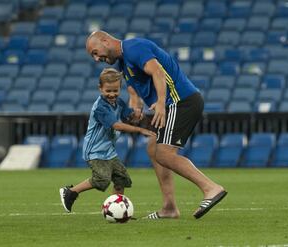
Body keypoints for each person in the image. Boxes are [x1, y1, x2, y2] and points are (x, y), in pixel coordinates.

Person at [86, 31, 227, 219]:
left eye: (95, 52)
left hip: (181, 101)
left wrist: (160, 102)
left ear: (105, 41)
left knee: (164, 153)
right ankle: (169, 208)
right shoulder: (123, 63)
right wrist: (135, 109)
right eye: (93, 56)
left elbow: (157, 71)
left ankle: (211, 188)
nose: (96, 59)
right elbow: (134, 92)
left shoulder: (134, 47)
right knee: (153, 147)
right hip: (173, 104)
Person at [59, 68, 156, 213]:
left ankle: (115, 209)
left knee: (121, 179)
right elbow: (116, 125)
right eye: (108, 91)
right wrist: (140, 130)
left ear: (120, 88)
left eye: (115, 90)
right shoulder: (100, 107)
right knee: (102, 179)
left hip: (108, 151)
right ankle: (71, 192)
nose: (112, 94)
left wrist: (137, 115)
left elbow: (128, 118)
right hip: (94, 151)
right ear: (100, 88)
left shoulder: (119, 103)